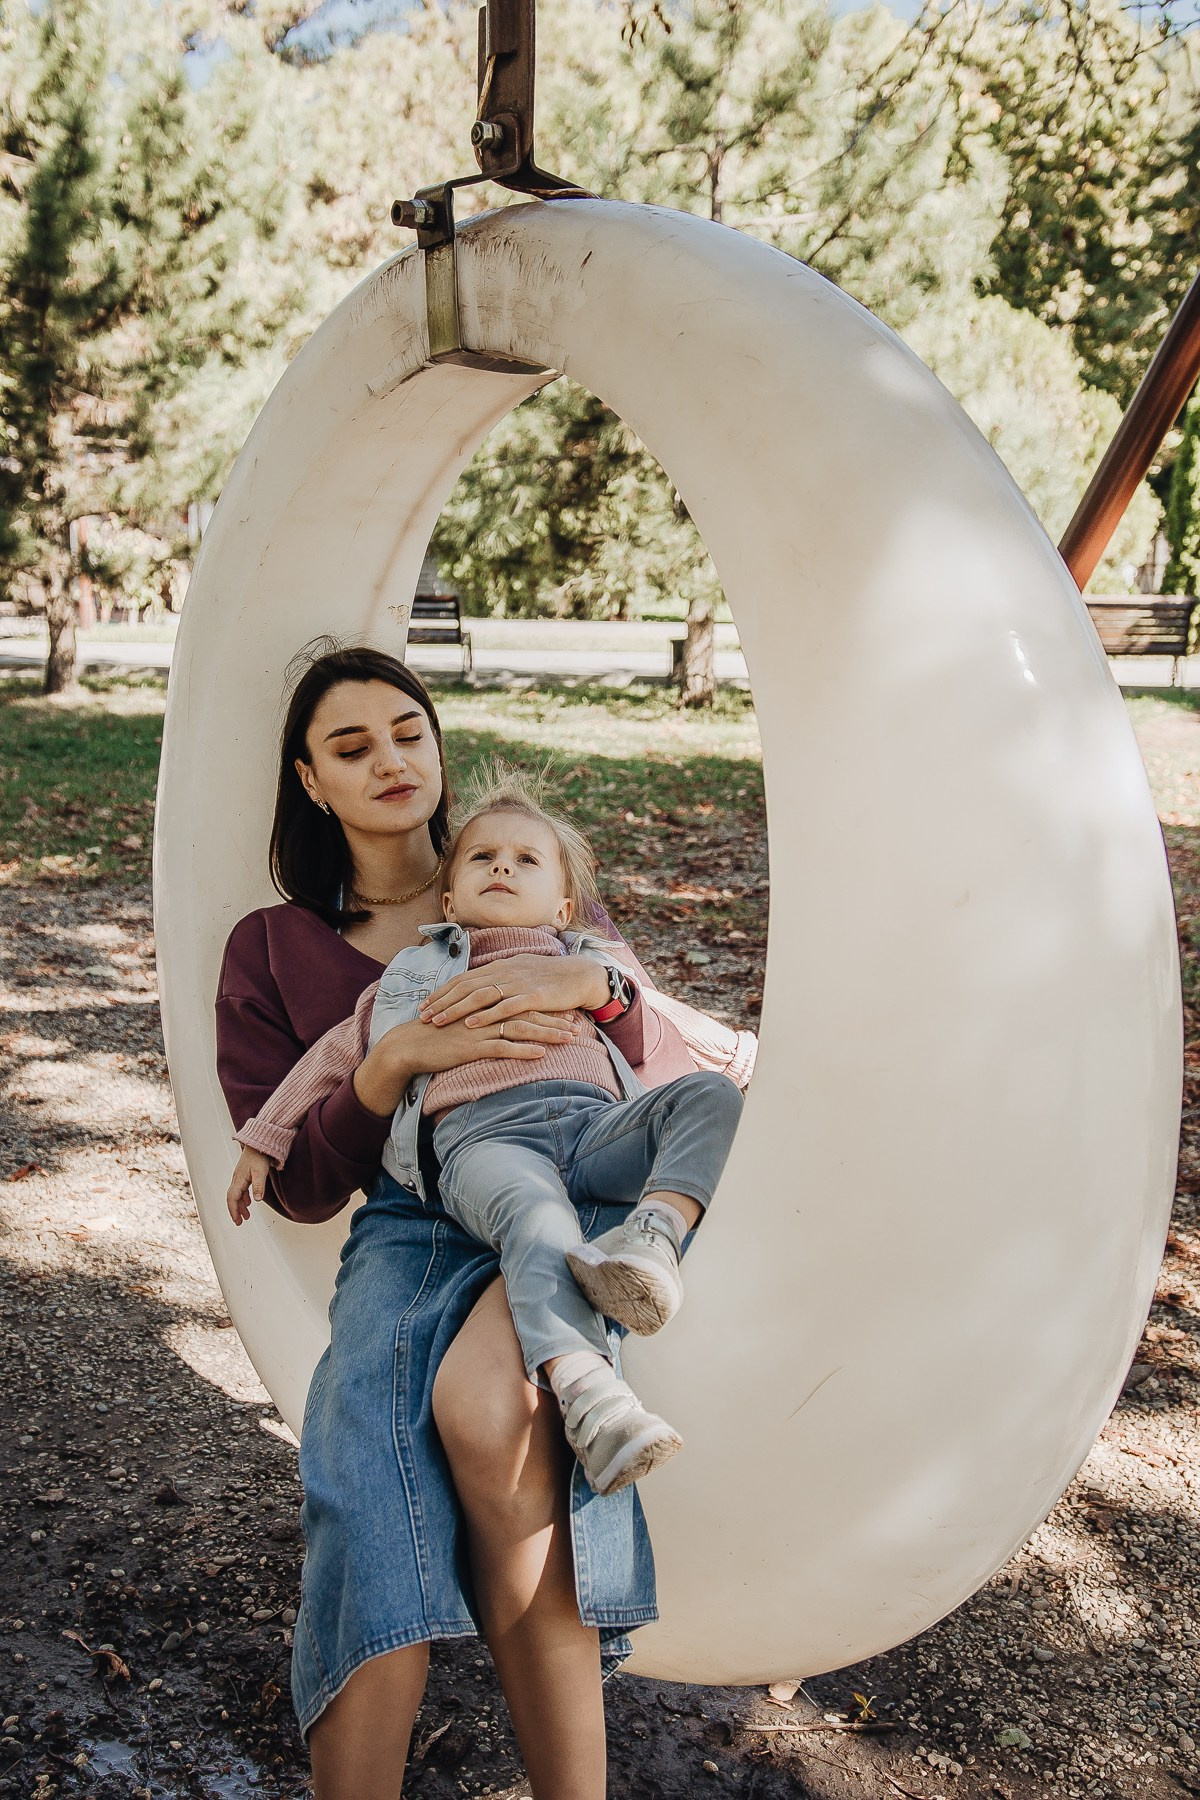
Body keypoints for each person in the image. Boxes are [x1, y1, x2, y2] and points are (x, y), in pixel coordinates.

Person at [214, 642, 755, 1800]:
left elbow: (659, 1054)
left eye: (408, 731)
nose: (391, 761)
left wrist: (595, 988)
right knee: (358, 1479)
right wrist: (388, 1065)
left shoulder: (531, 877)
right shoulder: (274, 949)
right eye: (351, 747)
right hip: (411, 1217)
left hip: (570, 1187)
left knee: (499, 1421)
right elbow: (300, 1187)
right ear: (312, 780)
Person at [226, 767, 744, 1498]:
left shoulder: (585, 962)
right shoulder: (415, 976)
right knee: (540, 1224)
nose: (502, 865)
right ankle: (592, 1400)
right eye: (482, 858)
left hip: (595, 1125)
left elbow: (673, 1023)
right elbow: (338, 1052)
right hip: (484, 1140)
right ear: (448, 899)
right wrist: (264, 1136)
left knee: (712, 1099)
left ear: (565, 904)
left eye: (526, 860)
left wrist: (753, 1059)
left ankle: (653, 1238)